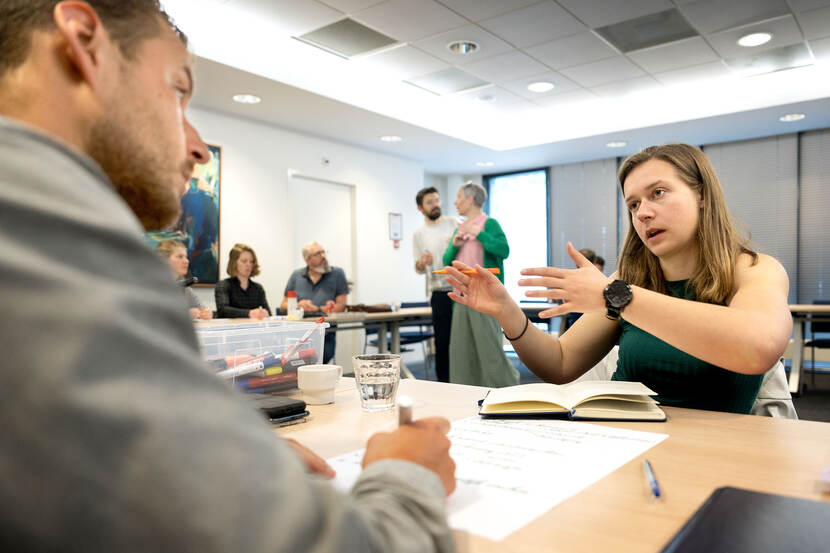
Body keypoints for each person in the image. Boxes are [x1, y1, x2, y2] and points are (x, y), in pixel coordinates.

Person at [0, 2, 456, 552]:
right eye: (177, 91)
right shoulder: (51, 238)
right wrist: (407, 475)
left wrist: (206, 459)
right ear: (82, 41)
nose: (195, 146)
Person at [445, 144, 791, 414]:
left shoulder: (755, 270)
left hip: (713, 452)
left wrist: (618, 296)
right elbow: (560, 362)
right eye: (633, 204)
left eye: (658, 193)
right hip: (621, 440)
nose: (643, 213)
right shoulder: (630, 279)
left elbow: (758, 347)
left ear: (701, 194)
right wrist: (506, 311)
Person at [442, 183, 519, 387]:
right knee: (461, 351)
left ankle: (504, 389)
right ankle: (464, 391)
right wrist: (454, 245)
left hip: (485, 297)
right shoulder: (459, 228)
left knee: (489, 348)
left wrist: (478, 233)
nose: (455, 202)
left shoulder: (489, 224)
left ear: (470, 199)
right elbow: (447, 261)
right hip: (461, 297)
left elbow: (503, 250)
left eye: (459, 197)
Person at [413, 187, 459, 383]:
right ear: (420, 208)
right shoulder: (419, 233)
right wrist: (422, 262)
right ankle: (444, 383)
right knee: (442, 342)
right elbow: (417, 268)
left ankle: (465, 380)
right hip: (439, 292)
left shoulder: (453, 223)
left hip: (461, 290)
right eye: (430, 202)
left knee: (462, 340)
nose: (435, 205)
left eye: (437, 200)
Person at [281, 241, 348, 363]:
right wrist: (298, 305)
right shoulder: (296, 275)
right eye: (318, 254)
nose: (323, 256)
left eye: (323, 252)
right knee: (290, 360)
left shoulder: (337, 274)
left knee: (316, 358)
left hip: (325, 334)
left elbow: (341, 306)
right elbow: (283, 305)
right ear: (307, 259)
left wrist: (317, 309)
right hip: (298, 334)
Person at [156, 239, 213, 320]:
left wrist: (206, 313)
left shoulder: (186, 288)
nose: (186, 261)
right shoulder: (151, 286)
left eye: (186, 257)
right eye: (180, 257)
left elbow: (202, 309)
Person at [215, 243, 271, 319]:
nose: (248, 264)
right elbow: (223, 310)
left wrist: (264, 313)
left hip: (254, 326)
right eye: (244, 261)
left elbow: (268, 313)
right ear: (234, 263)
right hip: (232, 326)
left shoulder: (258, 288)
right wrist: (249, 313)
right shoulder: (223, 285)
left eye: (251, 261)